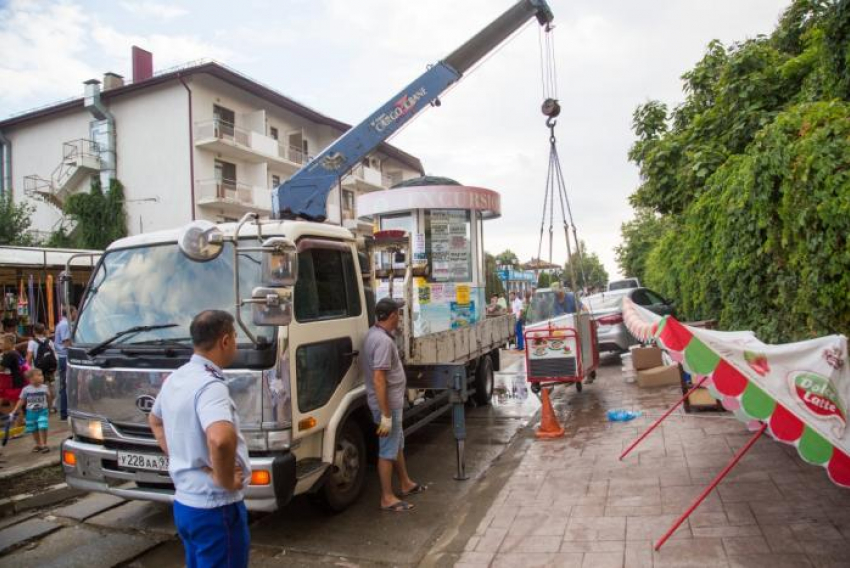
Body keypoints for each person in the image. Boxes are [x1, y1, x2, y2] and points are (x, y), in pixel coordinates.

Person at [149, 310, 250, 568]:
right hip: (216, 508)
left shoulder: (177, 377)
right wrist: (224, 479)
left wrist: (180, 454)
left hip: (185, 504)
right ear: (225, 341)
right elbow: (221, 439)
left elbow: (155, 420)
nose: (236, 344)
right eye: (236, 338)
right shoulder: (210, 384)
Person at [360, 297, 424, 512]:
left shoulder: (373, 334)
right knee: (387, 450)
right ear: (393, 316)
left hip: (389, 404)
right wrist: (386, 415)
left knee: (396, 443)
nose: (400, 317)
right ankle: (387, 497)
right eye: (398, 313)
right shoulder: (384, 342)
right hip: (387, 406)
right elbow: (379, 379)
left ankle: (405, 482)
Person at [11, 368, 51, 453]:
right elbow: (21, 400)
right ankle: (38, 444)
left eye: (42, 375)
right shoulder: (26, 389)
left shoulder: (44, 387)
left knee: (43, 426)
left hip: (42, 411)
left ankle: (44, 444)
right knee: (34, 429)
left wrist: (49, 408)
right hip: (31, 413)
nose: (42, 377)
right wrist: (14, 410)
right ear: (31, 379)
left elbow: (49, 397)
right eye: (39, 375)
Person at [27, 323, 58, 413]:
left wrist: (27, 368)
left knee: (38, 388)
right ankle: (51, 407)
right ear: (44, 331)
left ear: (34, 331)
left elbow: (29, 357)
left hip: (37, 369)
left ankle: (40, 408)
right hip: (49, 368)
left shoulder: (32, 342)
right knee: (50, 386)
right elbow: (54, 356)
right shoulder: (49, 341)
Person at [0, 333, 27, 430]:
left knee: (15, 404)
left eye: (2, 343)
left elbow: (2, 368)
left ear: (10, 343)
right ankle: (21, 421)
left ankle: (17, 426)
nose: (1, 345)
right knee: (14, 403)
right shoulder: (15, 352)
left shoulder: (9, 354)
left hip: (15, 382)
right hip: (18, 381)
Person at [54, 307, 76, 420]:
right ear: (70, 313)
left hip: (63, 357)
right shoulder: (65, 325)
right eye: (75, 312)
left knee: (66, 385)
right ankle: (65, 411)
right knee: (67, 385)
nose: (76, 314)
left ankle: (65, 411)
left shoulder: (62, 324)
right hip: (65, 357)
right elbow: (67, 343)